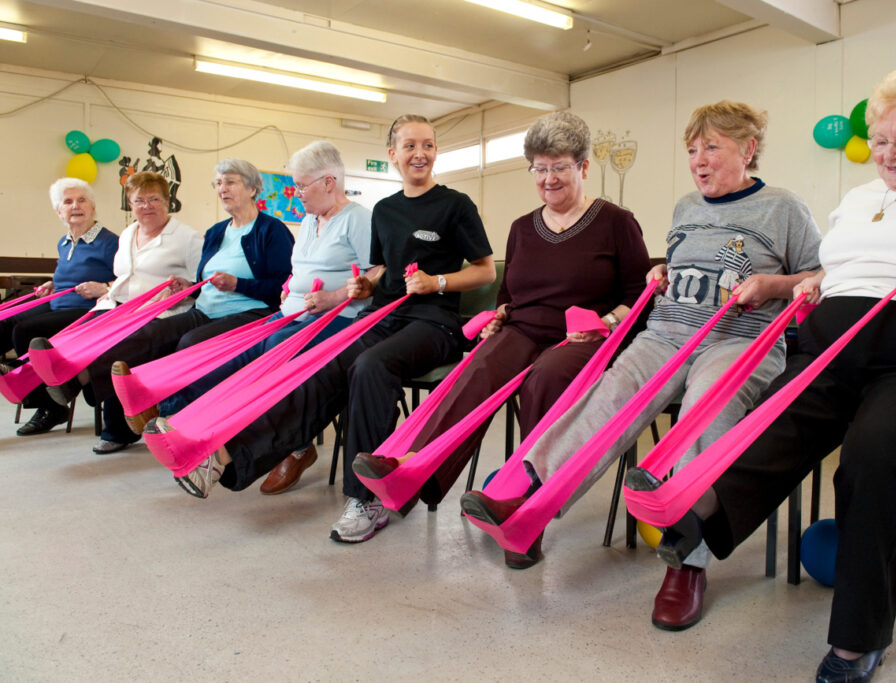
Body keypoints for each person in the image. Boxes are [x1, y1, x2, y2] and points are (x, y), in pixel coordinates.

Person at [625, 64, 896, 682]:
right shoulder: (860, 200)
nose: (887, 153)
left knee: (873, 456)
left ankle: (856, 640)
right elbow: (840, 268)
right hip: (831, 342)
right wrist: (816, 282)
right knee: (771, 421)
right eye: (882, 139)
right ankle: (699, 514)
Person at [461, 101, 821, 582]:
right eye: (693, 149)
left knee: (704, 410)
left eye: (712, 147)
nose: (699, 159)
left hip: (738, 340)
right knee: (606, 397)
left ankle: (686, 561)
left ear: (749, 149)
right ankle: (528, 498)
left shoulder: (783, 206)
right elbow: (690, 271)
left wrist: (772, 285)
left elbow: (821, 274)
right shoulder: (686, 207)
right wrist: (664, 272)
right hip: (667, 333)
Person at [149, 114, 495, 544]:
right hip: (385, 316)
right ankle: (224, 458)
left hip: (434, 324)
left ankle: (365, 498)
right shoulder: (387, 209)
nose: (418, 153)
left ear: (435, 150)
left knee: (369, 366)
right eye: (409, 146)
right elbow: (381, 269)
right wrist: (365, 284)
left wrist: (438, 282)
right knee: (323, 364)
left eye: (427, 145)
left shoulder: (455, 204)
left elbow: (483, 272)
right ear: (393, 154)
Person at [352, 111, 650, 518]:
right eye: (539, 169)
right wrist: (500, 315)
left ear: (582, 166)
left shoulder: (617, 222)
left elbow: (641, 295)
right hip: (524, 330)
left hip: (587, 338)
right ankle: (414, 465)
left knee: (543, 379)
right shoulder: (522, 227)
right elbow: (509, 294)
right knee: (478, 367)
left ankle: (525, 504)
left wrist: (608, 323)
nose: (549, 179)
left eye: (560, 167)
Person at [157, 141, 373, 495]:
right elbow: (297, 271)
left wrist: (335, 296)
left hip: (336, 319)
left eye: (302, 186)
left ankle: (219, 447)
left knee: (267, 356)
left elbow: (375, 275)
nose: (297, 193)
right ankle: (180, 424)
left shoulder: (358, 219)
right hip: (291, 315)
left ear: (329, 182)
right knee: (234, 355)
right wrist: (290, 287)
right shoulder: (307, 221)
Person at [35, 171, 207, 453]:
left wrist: (185, 287)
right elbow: (122, 277)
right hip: (121, 307)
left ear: (169, 202)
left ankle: (95, 403)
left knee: (117, 351)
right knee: (85, 333)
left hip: (161, 313)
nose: (147, 206)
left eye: (154, 199)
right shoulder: (128, 233)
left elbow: (200, 282)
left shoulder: (187, 238)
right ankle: (71, 380)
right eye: (139, 200)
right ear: (130, 203)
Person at [0, 178, 118, 435]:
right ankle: (14, 379)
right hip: (58, 302)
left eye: (82, 200)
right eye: (68, 201)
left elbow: (128, 278)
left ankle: (49, 406)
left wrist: (105, 286)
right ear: (58, 211)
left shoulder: (111, 243)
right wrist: (53, 282)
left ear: (93, 207)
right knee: (3, 324)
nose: (75, 206)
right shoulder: (64, 242)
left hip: (88, 310)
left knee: (23, 331)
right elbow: (70, 271)